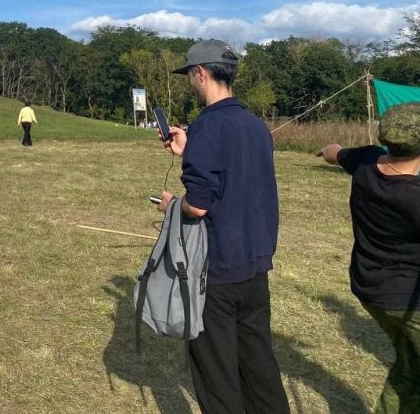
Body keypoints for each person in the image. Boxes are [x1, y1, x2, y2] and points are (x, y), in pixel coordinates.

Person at [158, 39, 289, 413]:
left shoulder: (206, 128)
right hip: (255, 267)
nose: (190, 83)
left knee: (217, 377)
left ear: (201, 73)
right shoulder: (256, 126)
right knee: (259, 366)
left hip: (214, 275)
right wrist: (190, 149)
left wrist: (172, 206)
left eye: (189, 76)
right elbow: (235, 175)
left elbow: (198, 206)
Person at [318, 104, 420, 413]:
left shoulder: (365, 161)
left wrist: (328, 151)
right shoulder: (413, 195)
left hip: (371, 290)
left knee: (411, 368)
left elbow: (335, 152)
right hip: (407, 301)